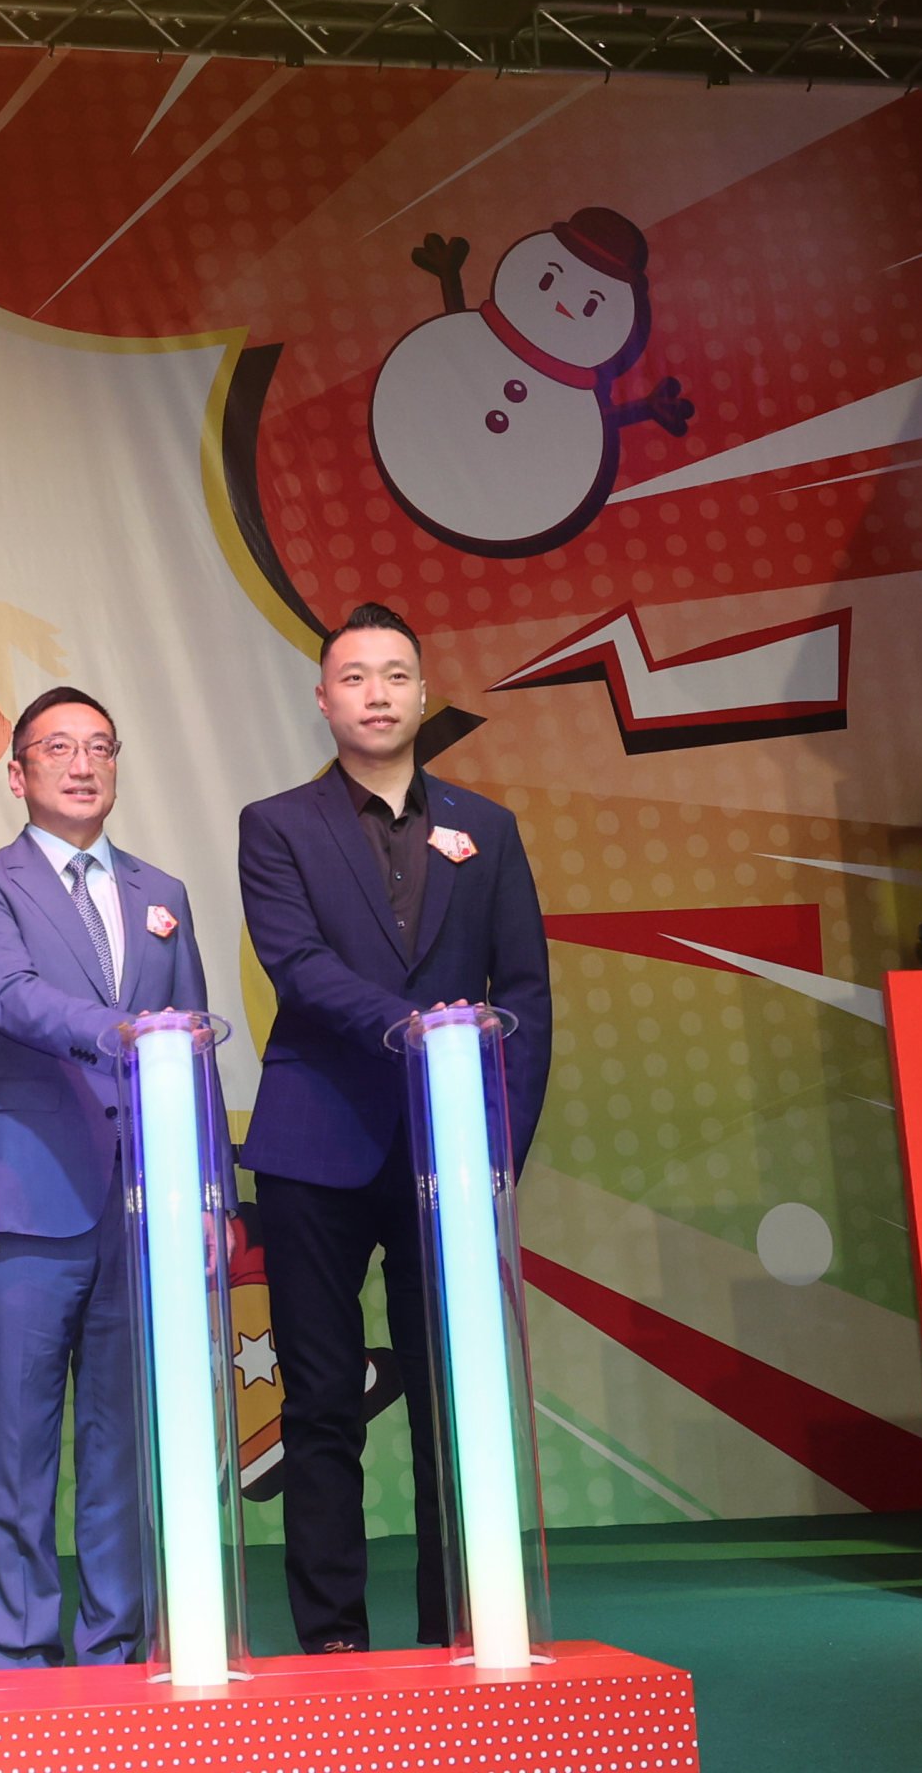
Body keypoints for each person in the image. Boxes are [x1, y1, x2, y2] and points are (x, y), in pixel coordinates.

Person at [234, 603, 551, 1654]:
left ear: (423, 696)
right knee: (320, 1404)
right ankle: (332, 1643)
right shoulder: (276, 825)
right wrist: (412, 1029)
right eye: (355, 676)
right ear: (323, 700)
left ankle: (459, 1632)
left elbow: (529, 995)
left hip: (448, 1156)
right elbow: (301, 969)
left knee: (450, 1410)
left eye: (395, 675)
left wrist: (500, 1146)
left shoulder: (488, 828)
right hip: (314, 1151)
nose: (376, 692)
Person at [0, 685, 209, 1668]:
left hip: (140, 1212)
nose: (82, 764)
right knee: (17, 1455)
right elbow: (10, 1000)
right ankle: (18, 1658)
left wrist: (208, 1191)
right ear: (18, 774)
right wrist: (123, 1032)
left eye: (100, 745)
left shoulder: (162, 894)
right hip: (25, 1206)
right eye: (58, 748)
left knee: (120, 1454)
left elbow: (199, 1054)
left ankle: (116, 1657)